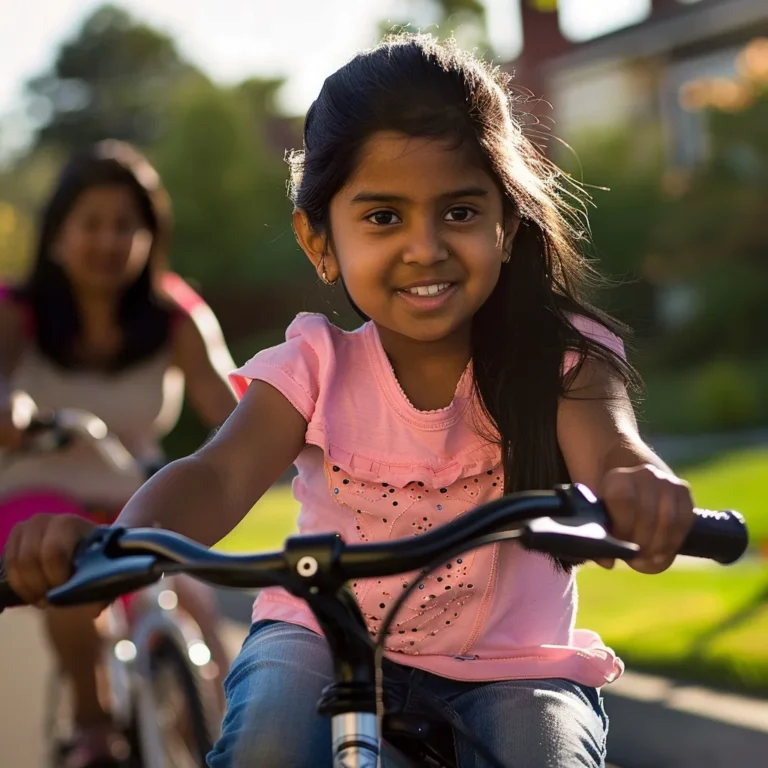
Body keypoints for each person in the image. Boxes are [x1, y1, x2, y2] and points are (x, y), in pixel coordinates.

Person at [4, 35, 697, 768]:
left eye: (460, 212)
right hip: (320, 638)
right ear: (319, 240)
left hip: (515, 667)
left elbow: (615, 450)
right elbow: (218, 475)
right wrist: (115, 542)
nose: (425, 247)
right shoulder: (312, 365)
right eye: (383, 217)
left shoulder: (562, 359)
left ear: (509, 221)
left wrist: (637, 490)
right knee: (265, 744)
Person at [0, 140, 237, 768]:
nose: (109, 242)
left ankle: (224, 737)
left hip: (133, 491)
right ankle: (92, 724)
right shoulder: (17, 310)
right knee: (71, 576)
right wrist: (11, 413)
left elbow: (233, 403)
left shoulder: (173, 314)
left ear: (150, 237)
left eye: (126, 226)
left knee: (203, 614)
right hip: (35, 491)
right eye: (91, 224)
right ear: (57, 235)